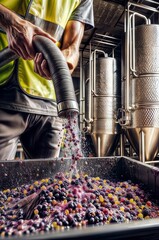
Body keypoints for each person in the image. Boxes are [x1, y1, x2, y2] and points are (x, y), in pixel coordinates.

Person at [0, 0, 94, 160]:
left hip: (50, 102)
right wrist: (11, 22)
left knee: (49, 182)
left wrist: (65, 60)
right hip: (4, 94)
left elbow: (72, 48)